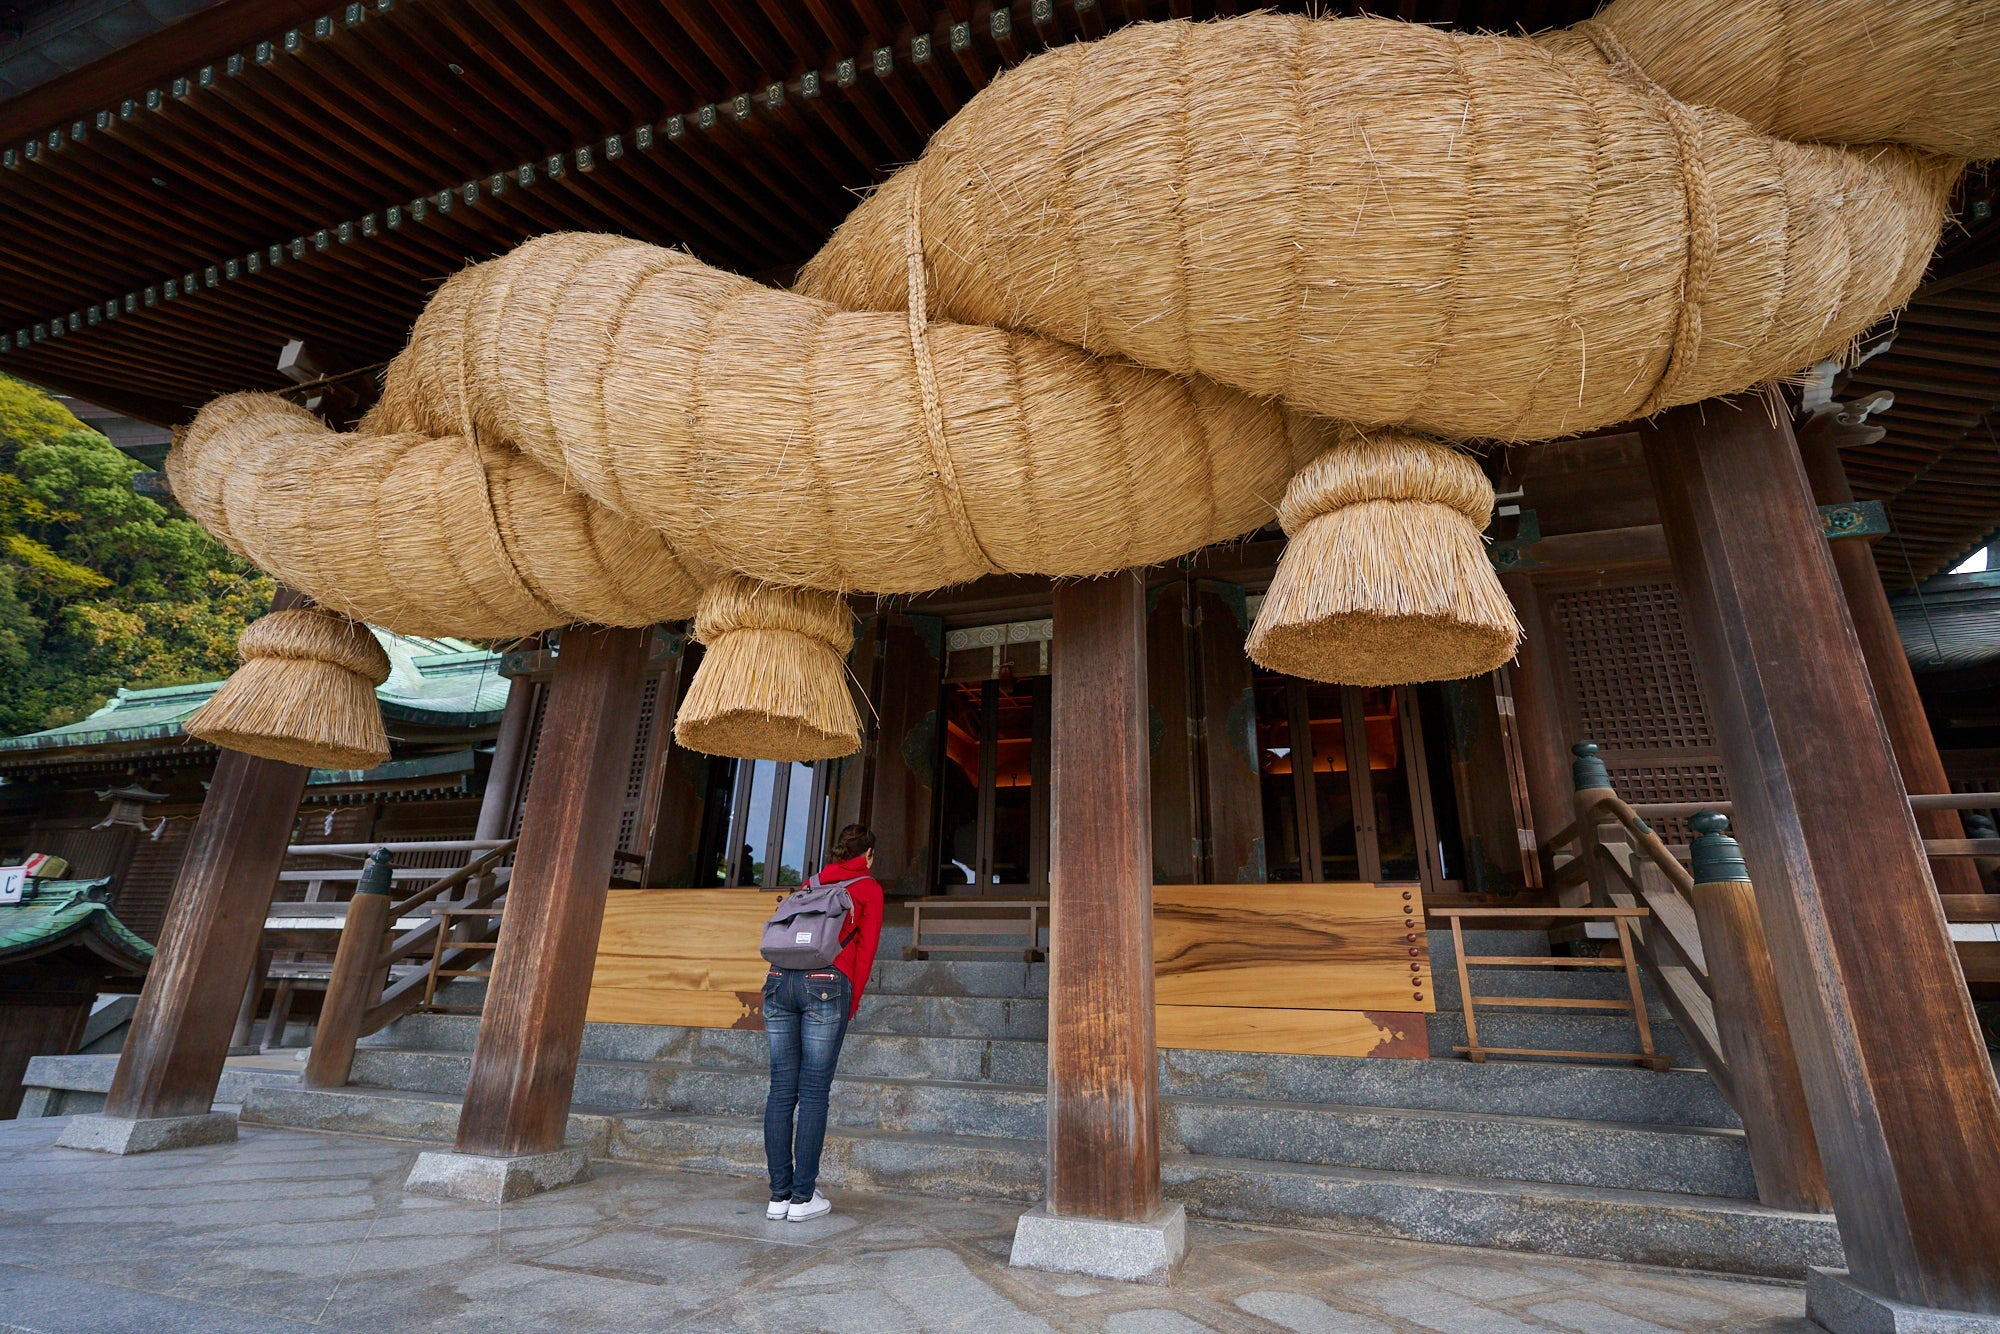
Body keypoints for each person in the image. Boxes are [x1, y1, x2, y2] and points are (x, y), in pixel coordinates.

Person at [763, 823, 883, 1222]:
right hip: (828, 985)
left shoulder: (811, 883)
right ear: (865, 854)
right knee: (813, 1091)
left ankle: (778, 1196)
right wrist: (852, 1003)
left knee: (782, 1089)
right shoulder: (868, 888)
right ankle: (802, 1198)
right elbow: (864, 953)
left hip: (779, 981)